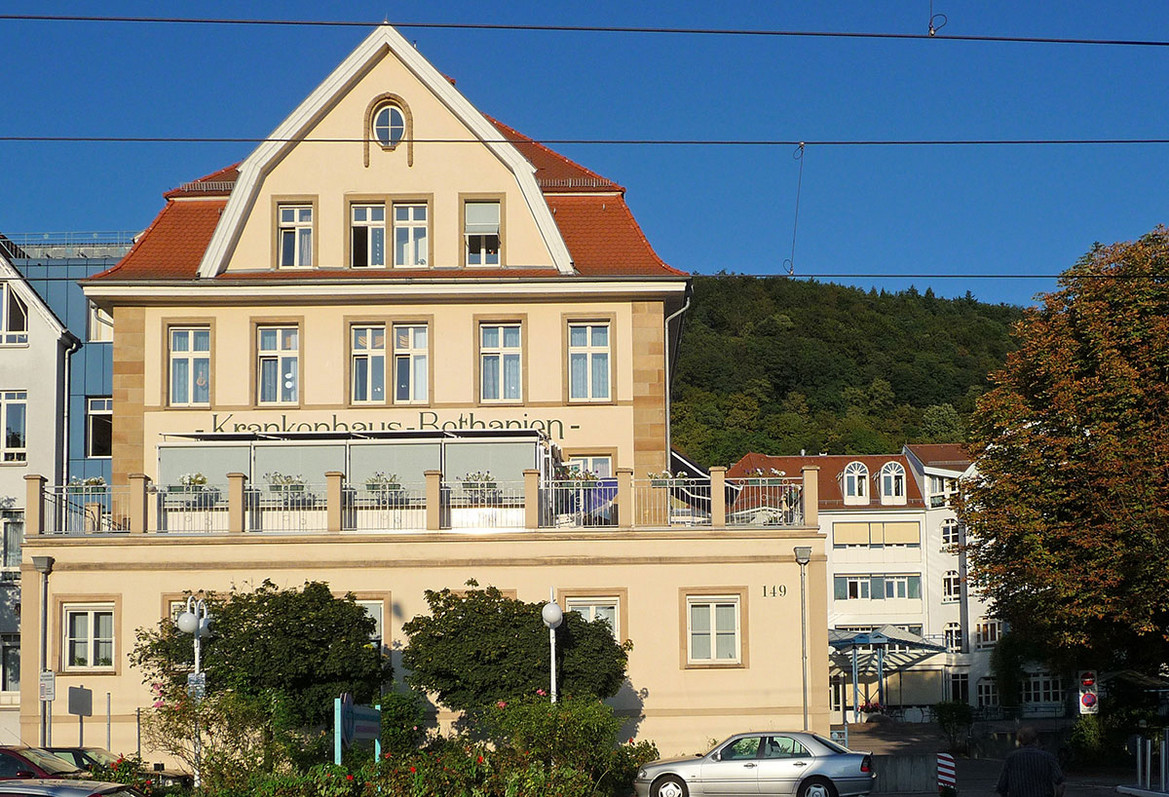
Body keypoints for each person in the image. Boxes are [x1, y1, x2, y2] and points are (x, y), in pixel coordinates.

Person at [996, 726, 1066, 797]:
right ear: (1036, 740)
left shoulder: (1011, 758)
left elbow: (1002, 786)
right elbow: (1060, 784)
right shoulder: (1048, 757)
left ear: (1020, 741)